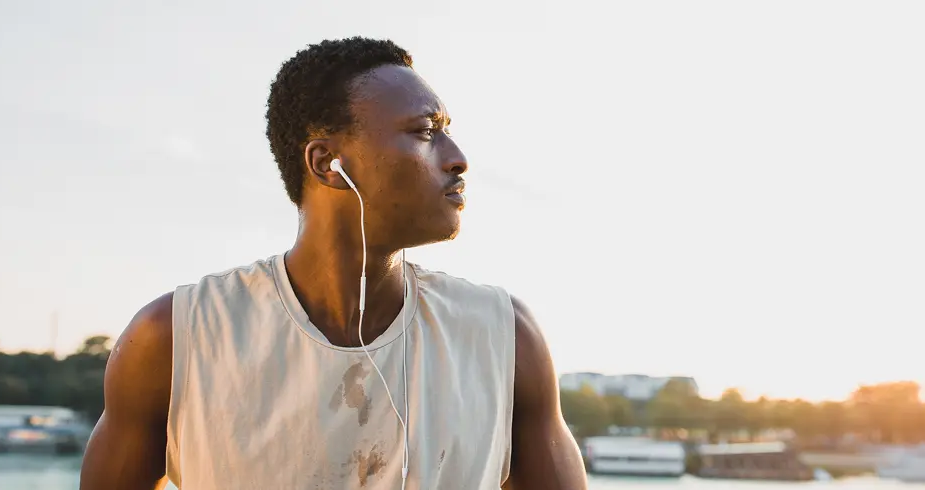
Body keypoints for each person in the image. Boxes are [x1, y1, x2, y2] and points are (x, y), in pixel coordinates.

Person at [79, 37, 587, 489]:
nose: (458, 158)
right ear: (327, 163)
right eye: (425, 131)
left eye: (447, 131)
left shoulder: (505, 336)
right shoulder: (175, 337)